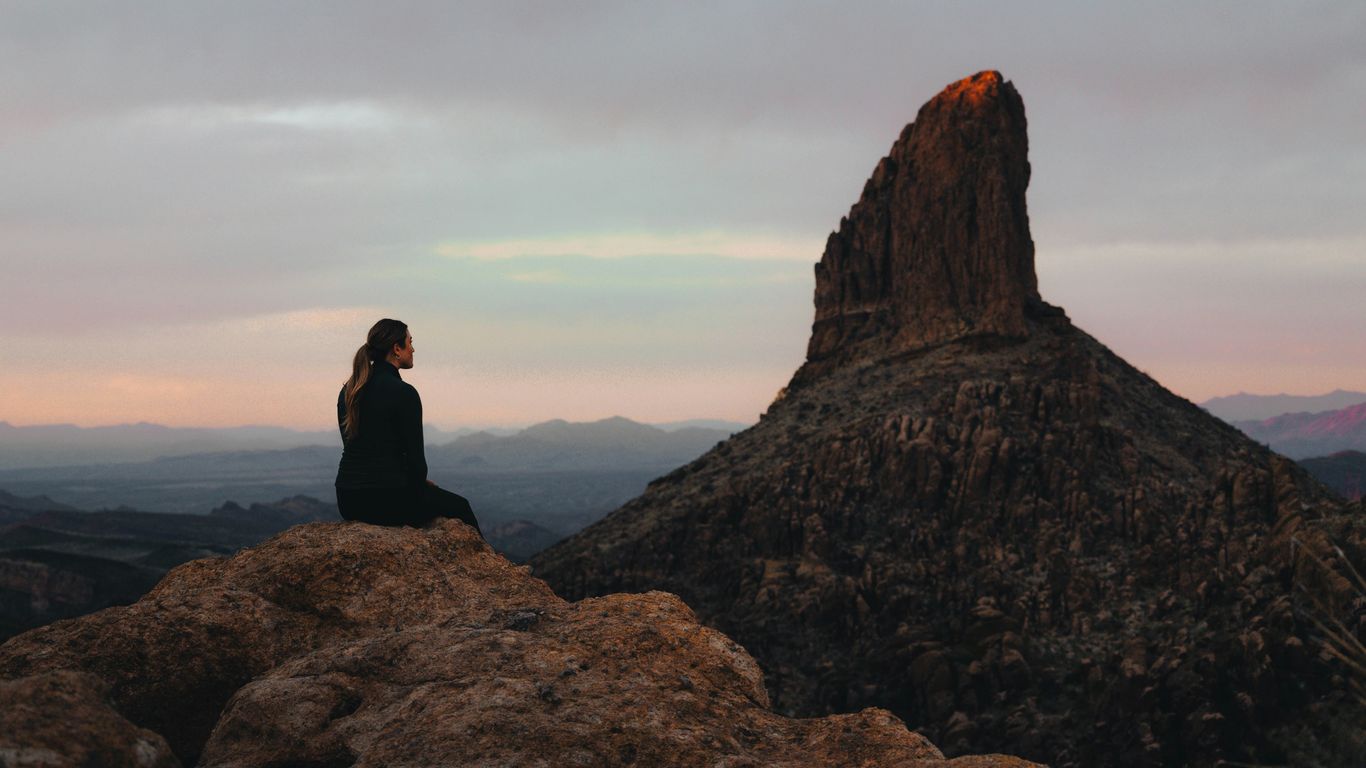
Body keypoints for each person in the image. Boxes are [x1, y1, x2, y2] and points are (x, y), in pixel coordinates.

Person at [334, 318, 482, 535]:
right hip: (388, 499)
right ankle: (490, 565)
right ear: (396, 349)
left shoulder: (350, 390)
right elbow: (417, 463)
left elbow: (354, 447)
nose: (413, 349)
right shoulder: (404, 393)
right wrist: (419, 485)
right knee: (461, 507)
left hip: (348, 500)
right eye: (410, 342)